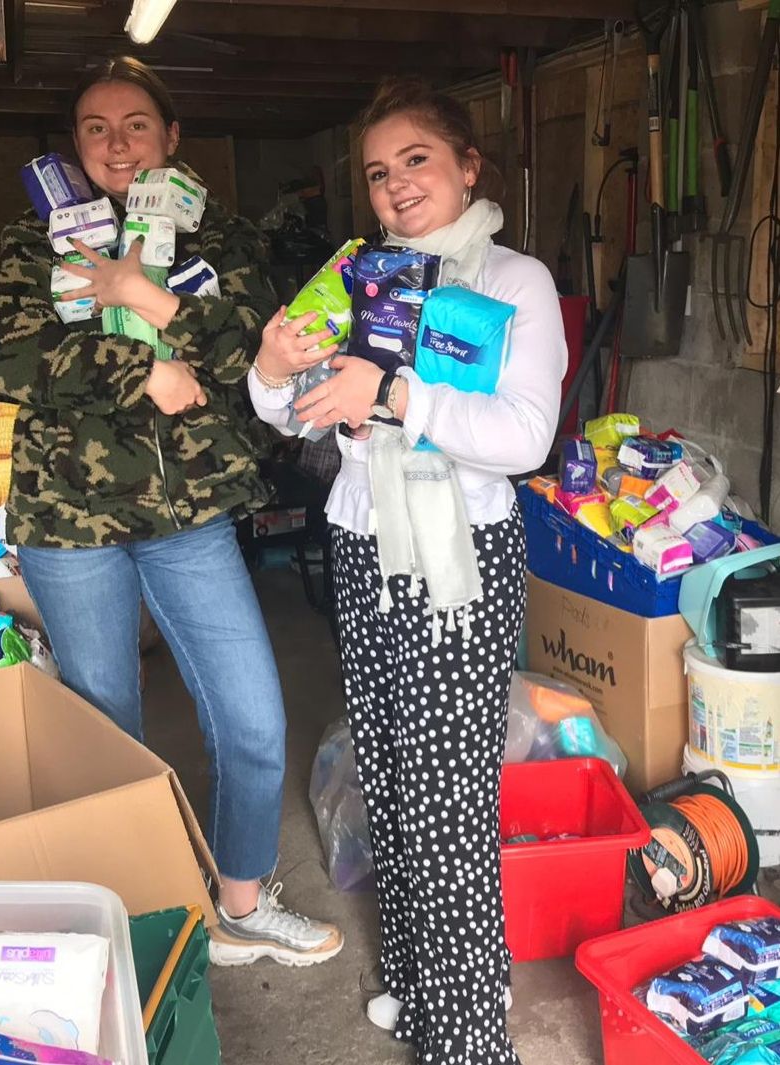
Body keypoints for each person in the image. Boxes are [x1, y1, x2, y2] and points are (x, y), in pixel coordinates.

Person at [0, 56, 342, 969]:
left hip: (191, 511)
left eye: (136, 123)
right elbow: (11, 360)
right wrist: (145, 367)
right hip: (69, 518)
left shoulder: (219, 232)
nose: (115, 141)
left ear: (170, 137)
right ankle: (131, 919)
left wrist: (150, 301)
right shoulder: (36, 242)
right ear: (75, 143)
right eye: (96, 126)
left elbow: (255, 346)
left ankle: (241, 906)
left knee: (254, 720)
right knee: (106, 730)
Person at [249, 77, 566, 1063]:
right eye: (379, 173)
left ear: (468, 165)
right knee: (390, 785)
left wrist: (393, 395)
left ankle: (469, 1038)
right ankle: (427, 990)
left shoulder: (513, 282)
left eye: (416, 160)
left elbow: (523, 437)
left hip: (457, 559)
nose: (396, 186)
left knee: (450, 808)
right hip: (361, 544)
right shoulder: (355, 275)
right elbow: (288, 405)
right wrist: (270, 367)